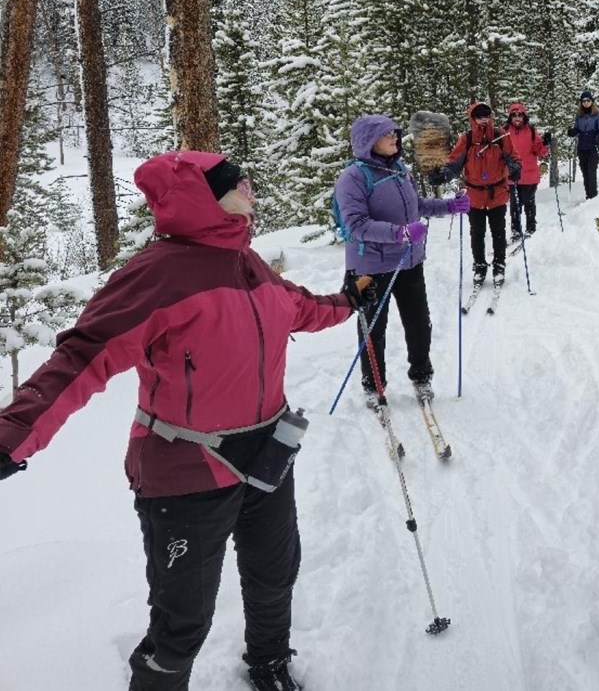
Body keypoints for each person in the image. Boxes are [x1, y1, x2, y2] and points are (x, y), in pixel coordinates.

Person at [0, 150, 375, 691]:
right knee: (183, 620)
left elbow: (298, 308)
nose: (251, 187)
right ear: (207, 196)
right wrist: (13, 435)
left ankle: (269, 664)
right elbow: (82, 355)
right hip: (187, 469)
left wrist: (346, 302)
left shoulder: (249, 263)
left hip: (268, 453)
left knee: (274, 576)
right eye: (238, 181)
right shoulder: (157, 273)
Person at [336, 114, 470, 408]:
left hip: (409, 261)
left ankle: (422, 376)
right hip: (370, 268)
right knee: (373, 329)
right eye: (388, 135)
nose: (396, 139)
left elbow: (417, 206)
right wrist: (400, 233)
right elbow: (357, 225)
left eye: (396, 134)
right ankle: (373, 385)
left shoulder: (400, 170)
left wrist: (450, 205)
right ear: (369, 141)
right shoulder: (354, 178)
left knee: (419, 323)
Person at [437, 102, 521, 289]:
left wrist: (516, 167)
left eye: (486, 114)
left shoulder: (500, 135)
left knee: (499, 232)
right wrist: (443, 175)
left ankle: (499, 265)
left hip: (497, 193)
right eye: (479, 115)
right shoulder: (466, 139)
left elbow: (513, 156)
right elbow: (454, 164)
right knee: (477, 233)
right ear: (472, 117)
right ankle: (479, 266)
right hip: (474, 195)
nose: (483, 118)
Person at [504, 102, 552, 240]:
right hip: (512, 174)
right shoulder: (504, 130)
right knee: (515, 204)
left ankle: (531, 227)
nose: (517, 118)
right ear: (510, 116)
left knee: (529, 202)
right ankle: (516, 230)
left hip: (529, 174)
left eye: (520, 115)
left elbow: (539, 151)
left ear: (524, 116)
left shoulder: (531, 131)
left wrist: (544, 143)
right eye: (514, 115)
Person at [566, 90, 599, 199]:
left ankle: (593, 195)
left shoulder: (597, 115)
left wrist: (597, 138)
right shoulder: (579, 116)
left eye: (588, 100)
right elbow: (577, 128)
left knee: (591, 172)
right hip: (582, 147)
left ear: (592, 101)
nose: (586, 103)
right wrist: (572, 132)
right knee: (585, 173)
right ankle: (588, 195)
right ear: (581, 102)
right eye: (584, 101)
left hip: (593, 147)